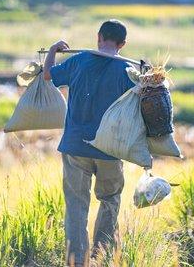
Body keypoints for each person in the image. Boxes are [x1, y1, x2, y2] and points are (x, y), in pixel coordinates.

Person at [44, 19, 135, 266]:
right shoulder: (128, 71)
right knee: (110, 201)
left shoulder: (79, 60)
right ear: (122, 44)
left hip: (75, 147)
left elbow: (48, 75)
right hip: (109, 149)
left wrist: (52, 51)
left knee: (76, 206)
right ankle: (102, 257)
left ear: (99, 37)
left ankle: (77, 262)